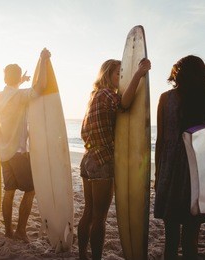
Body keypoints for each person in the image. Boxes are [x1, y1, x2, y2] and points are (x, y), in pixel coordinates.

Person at [78, 58, 151, 259]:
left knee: (88, 212)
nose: (121, 77)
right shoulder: (107, 94)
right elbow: (125, 103)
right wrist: (139, 74)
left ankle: (82, 255)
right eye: (118, 73)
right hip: (103, 161)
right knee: (99, 217)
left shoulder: (94, 96)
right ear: (107, 75)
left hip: (88, 159)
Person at [154, 55, 205, 260]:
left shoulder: (166, 99)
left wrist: (158, 174)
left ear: (178, 74)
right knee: (191, 242)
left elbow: (160, 141)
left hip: (171, 172)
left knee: (171, 241)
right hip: (199, 171)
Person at [0, 48, 51, 242]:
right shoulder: (19, 96)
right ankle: (21, 231)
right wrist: (43, 60)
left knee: (8, 192)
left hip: (3, 152)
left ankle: (8, 231)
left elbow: (14, 90)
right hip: (18, 152)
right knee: (31, 189)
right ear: (17, 77)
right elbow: (41, 86)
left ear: (4, 79)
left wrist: (20, 81)